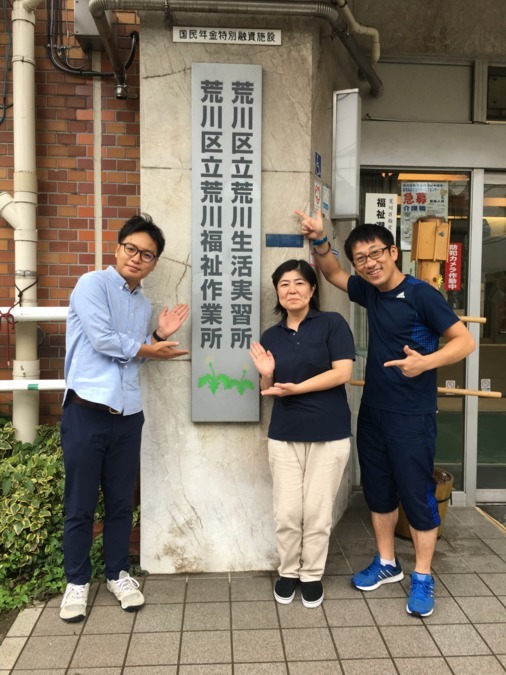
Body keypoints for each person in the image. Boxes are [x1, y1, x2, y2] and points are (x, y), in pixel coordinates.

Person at [297, 208, 475, 617]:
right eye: (361, 258)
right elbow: (331, 274)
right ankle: (387, 563)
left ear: (393, 252)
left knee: (416, 494)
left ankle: (424, 576)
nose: (369, 264)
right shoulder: (371, 291)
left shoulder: (422, 294)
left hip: (412, 415)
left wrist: (424, 363)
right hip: (374, 410)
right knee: (378, 491)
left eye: (376, 253)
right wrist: (321, 239)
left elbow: (464, 341)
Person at [59, 213, 189, 623]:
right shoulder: (92, 284)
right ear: (117, 249)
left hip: (128, 414)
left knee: (120, 502)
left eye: (147, 255)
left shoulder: (142, 302)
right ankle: (76, 582)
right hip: (85, 410)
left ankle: (117, 574)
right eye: (131, 249)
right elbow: (104, 341)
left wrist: (160, 337)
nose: (136, 258)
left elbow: (134, 352)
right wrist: (151, 349)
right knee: (80, 504)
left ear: (153, 263)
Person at [250, 259, 355, 608]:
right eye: (284, 284)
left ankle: (311, 574)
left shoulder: (332, 324)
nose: (291, 290)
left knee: (318, 511)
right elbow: (269, 389)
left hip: (329, 432)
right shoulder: (271, 335)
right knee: (287, 512)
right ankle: (288, 571)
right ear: (277, 292)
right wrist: (266, 375)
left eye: (299, 283)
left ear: (312, 290)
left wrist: (298, 389)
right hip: (285, 434)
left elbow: (342, 373)